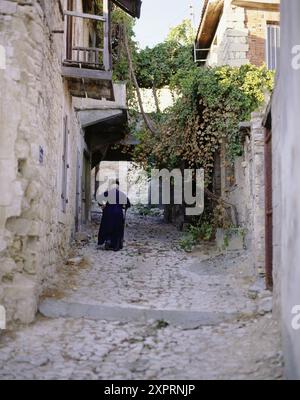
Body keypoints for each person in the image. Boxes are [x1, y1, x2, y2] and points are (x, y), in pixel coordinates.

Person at [97, 180, 131, 251]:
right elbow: (128, 204)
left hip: (108, 212)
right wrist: (124, 207)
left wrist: (102, 206)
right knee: (117, 229)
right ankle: (116, 246)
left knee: (107, 227)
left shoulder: (107, 193)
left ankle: (107, 240)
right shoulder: (121, 194)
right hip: (118, 213)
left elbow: (99, 199)